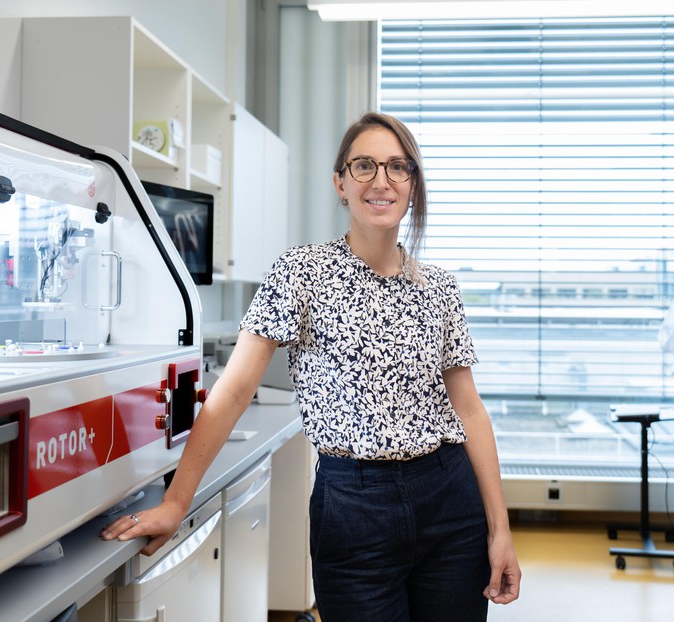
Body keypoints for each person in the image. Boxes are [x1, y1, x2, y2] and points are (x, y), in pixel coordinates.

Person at [101, 112, 521, 620]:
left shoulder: (439, 287)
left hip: (451, 501)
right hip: (353, 507)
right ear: (340, 183)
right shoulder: (301, 272)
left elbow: (470, 412)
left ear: (413, 184)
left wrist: (500, 530)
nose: (381, 181)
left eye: (397, 167)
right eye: (364, 166)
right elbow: (232, 391)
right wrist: (175, 501)